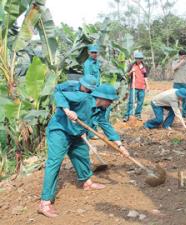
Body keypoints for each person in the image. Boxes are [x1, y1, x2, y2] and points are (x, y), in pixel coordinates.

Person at [38, 84, 129, 218]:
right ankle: (44, 202)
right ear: (102, 98)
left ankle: (87, 182)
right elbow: (60, 94)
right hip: (60, 130)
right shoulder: (82, 98)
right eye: (110, 100)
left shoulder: (102, 110)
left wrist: (120, 146)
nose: (111, 103)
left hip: (77, 133)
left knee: (82, 155)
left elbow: (106, 126)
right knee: (54, 163)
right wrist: (67, 109)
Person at [123, 51, 149, 122]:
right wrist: (131, 71)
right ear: (135, 59)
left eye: (140, 58)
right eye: (137, 58)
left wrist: (147, 86)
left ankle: (138, 114)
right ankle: (127, 115)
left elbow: (145, 76)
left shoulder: (144, 66)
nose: (139, 60)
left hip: (142, 87)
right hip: (134, 86)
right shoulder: (132, 65)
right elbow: (126, 75)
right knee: (131, 101)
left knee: (140, 102)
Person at [172, 50, 186, 118]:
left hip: (184, 83)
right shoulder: (175, 62)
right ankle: (175, 113)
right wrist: (181, 63)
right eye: (183, 56)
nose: (184, 58)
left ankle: (184, 114)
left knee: (185, 99)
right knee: (175, 98)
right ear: (179, 56)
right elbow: (173, 68)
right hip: (176, 83)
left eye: (185, 56)